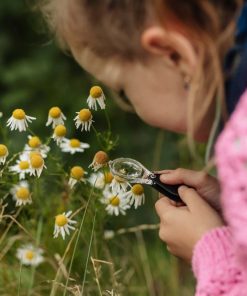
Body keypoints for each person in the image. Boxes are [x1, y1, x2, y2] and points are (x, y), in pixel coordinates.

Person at [39, 0, 247, 294]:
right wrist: (236, 211)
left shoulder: (241, 149)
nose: (127, 106)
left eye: (122, 89)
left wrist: (213, 250)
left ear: (174, 55)